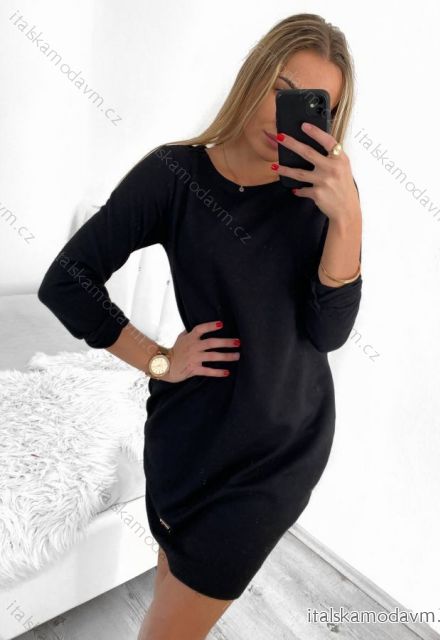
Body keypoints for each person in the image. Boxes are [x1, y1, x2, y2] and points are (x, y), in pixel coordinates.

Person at [37, 12, 363, 640]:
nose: (288, 113)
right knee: (173, 578)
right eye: (282, 88)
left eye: (314, 104)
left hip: (275, 457)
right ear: (254, 75)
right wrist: (159, 358)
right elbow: (68, 281)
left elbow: (329, 333)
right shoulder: (175, 175)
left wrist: (348, 219)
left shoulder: (324, 198)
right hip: (185, 438)